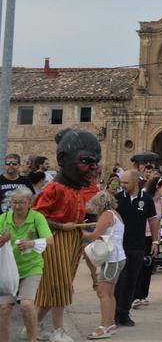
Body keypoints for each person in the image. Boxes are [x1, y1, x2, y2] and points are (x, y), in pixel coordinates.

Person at [34, 129, 103, 342]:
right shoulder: (53, 189)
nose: (93, 168)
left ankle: (32, 326)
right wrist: (61, 227)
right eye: (86, 161)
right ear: (63, 159)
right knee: (62, 285)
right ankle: (57, 330)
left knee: (55, 288)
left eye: (96, 162)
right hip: (56, 241)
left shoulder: (76, 190)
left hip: (72, 239)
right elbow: (36, 218)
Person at [0, 187, 53, 342]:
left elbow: (50, 240)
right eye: (14, 202)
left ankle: (32, 339)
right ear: (10, 202)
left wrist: (31, 243)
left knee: (27, 305)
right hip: (7, 271)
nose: (16, 206)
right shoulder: (3, 218)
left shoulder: (37, 218)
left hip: (31, 268)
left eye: (21, 202)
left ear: (30, 203)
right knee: (4, 309)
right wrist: (3, 239)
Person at [113, 170, 159, 327]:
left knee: (132, 280)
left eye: (125, 183)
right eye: (122, 182)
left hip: (138, 247)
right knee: (120, 281)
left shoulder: (146, 200)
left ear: (135, 182)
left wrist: (155, 242)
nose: (122, 185)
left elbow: (153, 221)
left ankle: (125, 314)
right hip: (119, 247)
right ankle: (115, 313)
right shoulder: (117, 199)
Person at [81, 191, 126, 340]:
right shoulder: (115, 214)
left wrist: (78, 232)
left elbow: (94, 236)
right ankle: (110, 324)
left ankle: (104, 326)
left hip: (112, 259)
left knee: (103, 293)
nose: (92, 208)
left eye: (94, 205)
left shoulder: (106, 215)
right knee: (109, 292)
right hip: (117, 258)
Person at [133, 175, 162, 310]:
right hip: (141, 235)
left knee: (149, 265)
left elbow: (158, 220)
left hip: (152, 238)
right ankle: (135, 295)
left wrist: (158, 239)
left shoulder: (161, 202)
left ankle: (143, 295)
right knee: (140, 265)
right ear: (157, 187)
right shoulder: (145, 200)